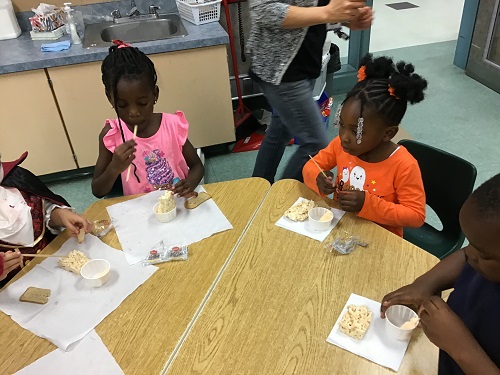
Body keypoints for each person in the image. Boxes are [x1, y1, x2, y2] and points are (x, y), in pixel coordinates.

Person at [380, 173, 500, 374]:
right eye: (470, 243)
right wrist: (425, 284)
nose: (469, 254)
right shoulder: (486, 251)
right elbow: (465, 255)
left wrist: (460, 348)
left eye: (482, 255)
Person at [248, 0, 373, 184]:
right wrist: (328, 13)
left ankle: (258, 189)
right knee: (316, 145)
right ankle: (282, 202)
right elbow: (263, 10)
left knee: (280, 130)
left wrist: (344, 19)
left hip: (304, 64)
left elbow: (313, 8)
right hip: (283, 70)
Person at [303, 55, 428, 237]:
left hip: (381, 239)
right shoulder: (341, 145)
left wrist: (367, 205)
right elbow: (310, 166)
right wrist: (318, 179)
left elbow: (416, 216)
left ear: (388, 133)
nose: (344, 137)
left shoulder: (404, 165)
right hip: (342, 228)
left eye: (357, 131)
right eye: (342, 125)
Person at [92, 41, 204, 198]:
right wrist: (114, 168)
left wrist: (189, 183)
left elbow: (197, 166)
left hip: (179, 205)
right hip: (141, 214)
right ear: (110, 98)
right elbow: (97, 190)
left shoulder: (172, 125)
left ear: (155, 94)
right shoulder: (111, 134)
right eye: (122, 105)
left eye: (142, 103)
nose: (134, 113)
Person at [1, 152, 92, 284]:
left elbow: (42, 211)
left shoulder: (15, 177)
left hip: (56, 267)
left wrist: (60, 215)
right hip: (15, 290)